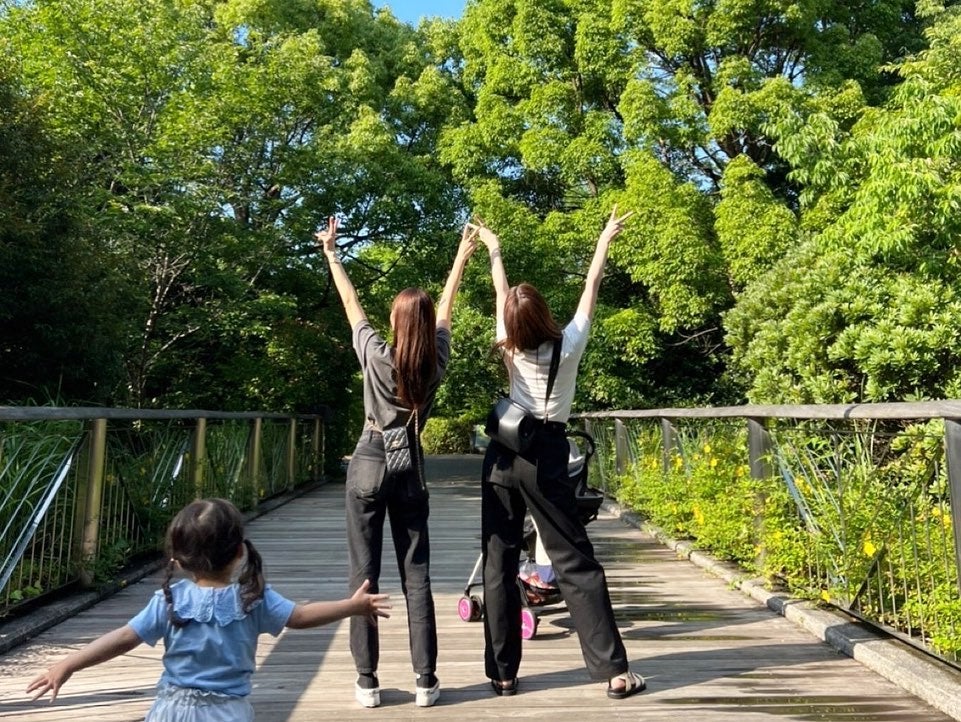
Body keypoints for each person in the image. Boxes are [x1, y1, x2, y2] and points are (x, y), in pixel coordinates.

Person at [476, 207, 646, 700]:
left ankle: (503, 674)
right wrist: (603, 239)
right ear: (545, 315)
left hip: (502, 455)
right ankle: (614, 672)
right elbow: (591, 285)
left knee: (498, 560)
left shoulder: (506, 344)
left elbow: (497, 290)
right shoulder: (569, 343)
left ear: (509, 321)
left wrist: (494, 247)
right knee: (574, 559)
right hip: (547, 453)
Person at [26, 498, 391, 720]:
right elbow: (300, 617)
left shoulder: (170, 601)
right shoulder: (252, 598)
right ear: (238, 552)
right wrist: (351, 607)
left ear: (179, 560)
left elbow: (122, 639)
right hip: (227, 712)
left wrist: (68, 664)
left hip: (171, 710)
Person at [316, 216, 478, 708]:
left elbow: (351, 307)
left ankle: (367, 681)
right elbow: (446, 312)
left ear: (395, 323)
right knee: (418, 576)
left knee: (363, 576)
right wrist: (461, 258)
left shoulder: (376, 357)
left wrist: (332, 254)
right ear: (426, 328)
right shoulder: (434, 363)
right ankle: (426, 681)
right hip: (410, 462)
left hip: (368, 458)